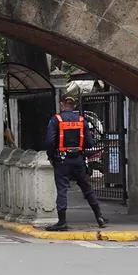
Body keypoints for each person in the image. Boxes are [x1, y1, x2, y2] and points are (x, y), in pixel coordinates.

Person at [44, 94, 109, 231]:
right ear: (74, 105)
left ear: (61, 104)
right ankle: (99, 217)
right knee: (86, 188)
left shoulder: (56, 120)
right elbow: (90, 143)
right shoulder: (81, 120)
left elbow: (50, 141)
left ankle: (62, 222)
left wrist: (51, 156)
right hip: (78, 160)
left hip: (62, 159)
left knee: (62, 189)